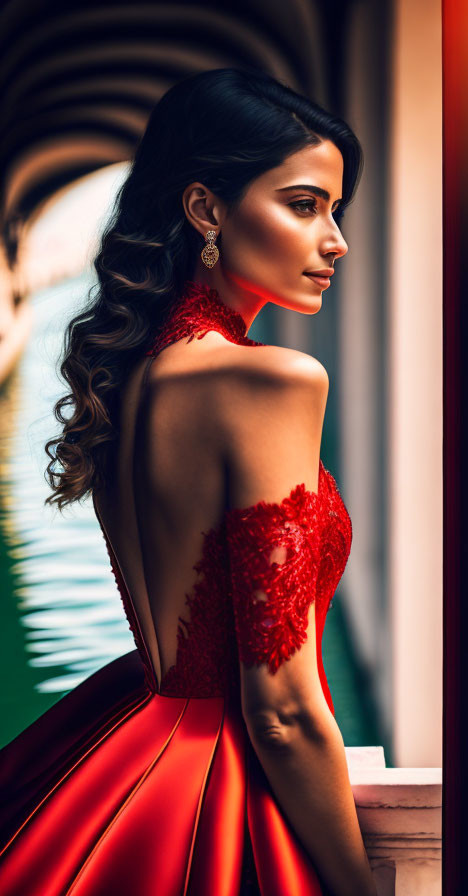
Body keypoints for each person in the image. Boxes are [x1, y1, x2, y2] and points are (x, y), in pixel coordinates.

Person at [0, 66, 378, 896]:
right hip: (212, 783)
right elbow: (279, 709)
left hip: (117, 745)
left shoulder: (134, 377)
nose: (336, 240)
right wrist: (358, 884)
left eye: (336, 210)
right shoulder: (271, 381)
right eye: (305, 204)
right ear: (207, 210)